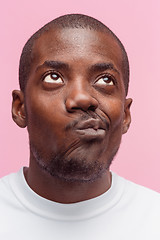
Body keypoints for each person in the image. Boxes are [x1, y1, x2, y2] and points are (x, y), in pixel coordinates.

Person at [1, 14, 160, 239]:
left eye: (105, 80)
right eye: (53, 77)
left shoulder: (154, 221)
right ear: (20, 108)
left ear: (125, 115)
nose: (82, 98)